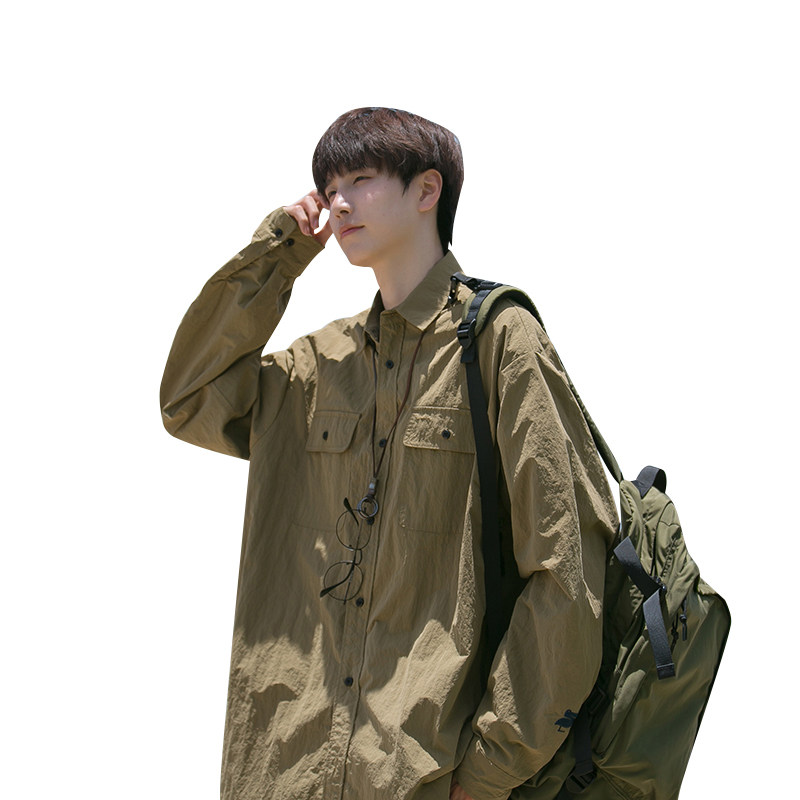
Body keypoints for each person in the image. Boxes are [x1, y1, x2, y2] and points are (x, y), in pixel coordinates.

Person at [160, 107, 618, 800]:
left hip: (424, 776)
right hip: (285, 772)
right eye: (329, 187)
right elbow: (190, 397)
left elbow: (568, 570)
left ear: (427, 190)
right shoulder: (320, 364)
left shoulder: (499, 342)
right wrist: (279, 252)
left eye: (362, 179)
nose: (339, 202)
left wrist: (490, 773)